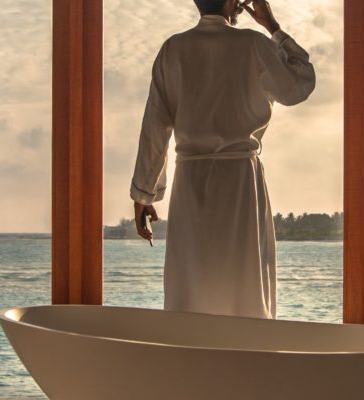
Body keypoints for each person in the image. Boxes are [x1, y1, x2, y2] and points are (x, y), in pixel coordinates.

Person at [129, 0, 315, 319]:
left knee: (191, 286)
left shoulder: (173, 49)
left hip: (191, 181)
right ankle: (247, 359)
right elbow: (299, 86)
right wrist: (272, 27)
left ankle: (191, 361)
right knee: (245, 285)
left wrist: (143, 194)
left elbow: (155, 127)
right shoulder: (255, 45)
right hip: (242, 179)